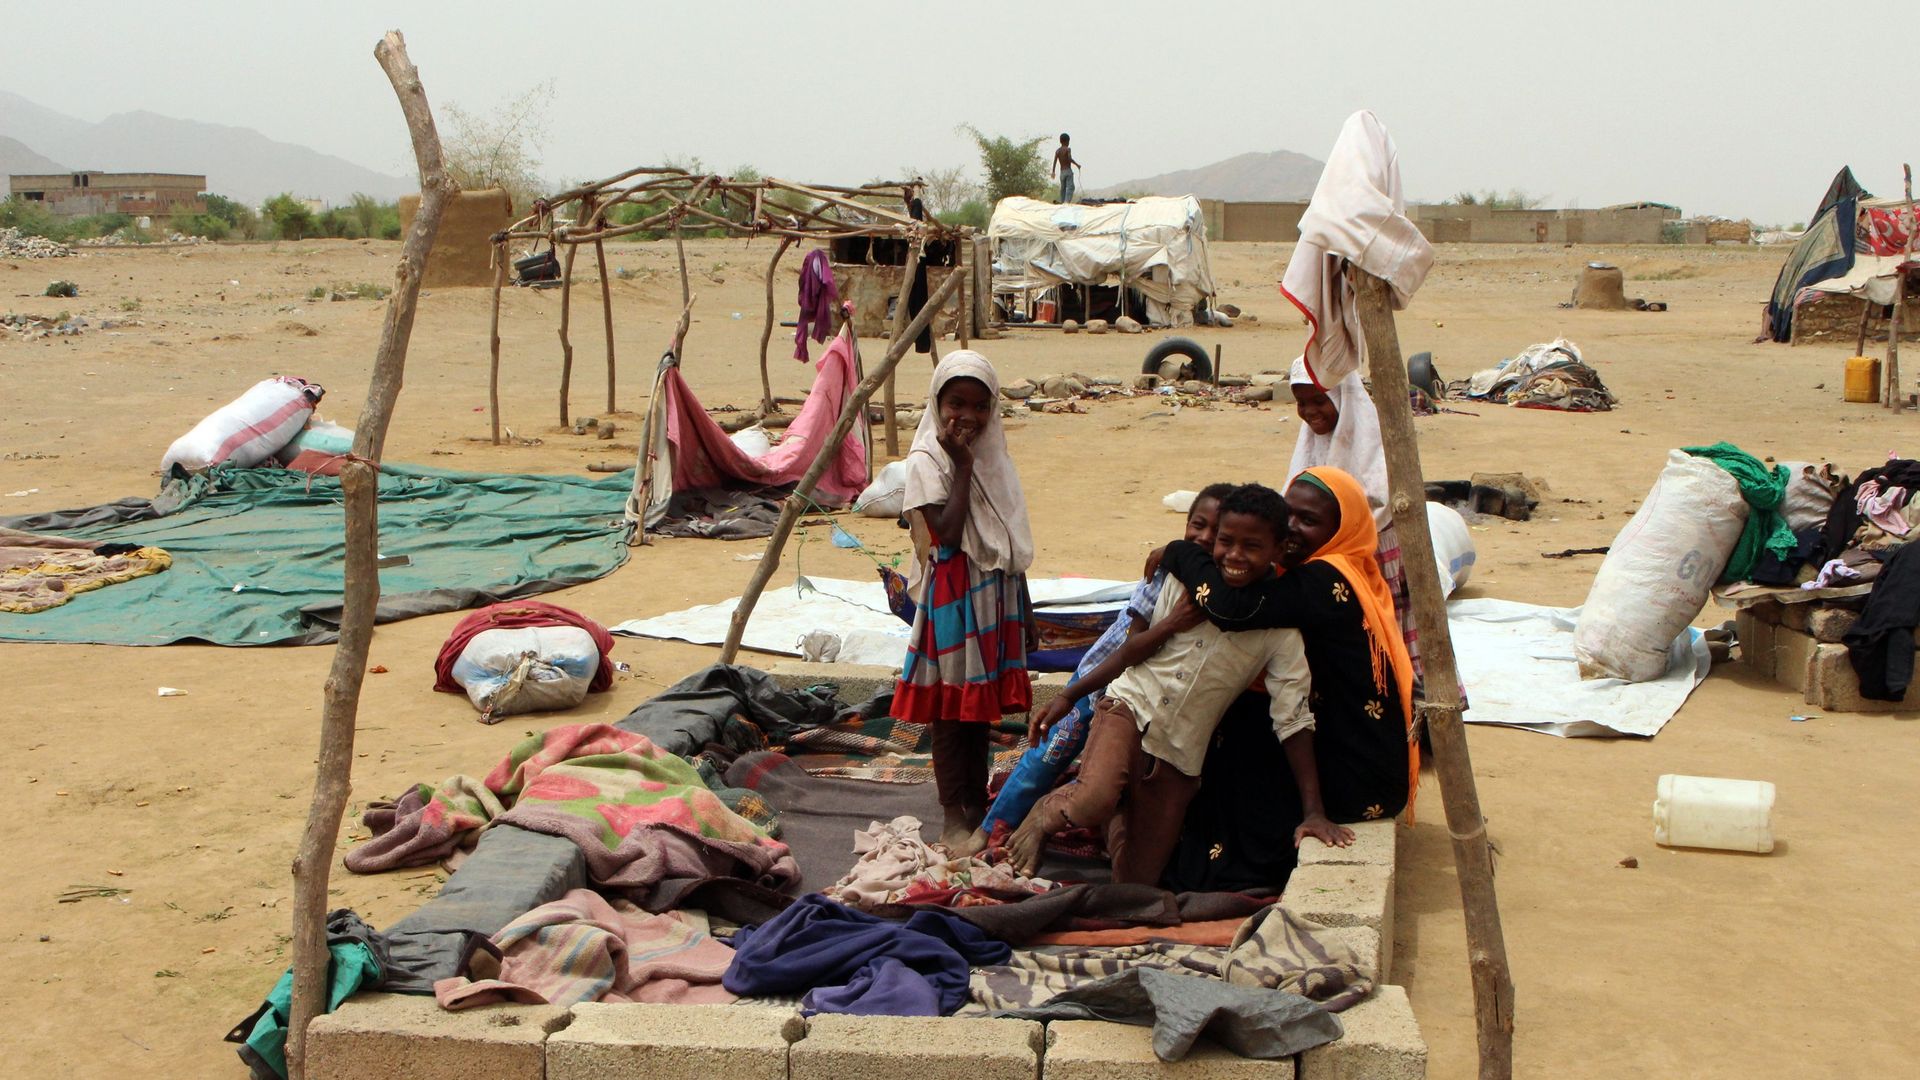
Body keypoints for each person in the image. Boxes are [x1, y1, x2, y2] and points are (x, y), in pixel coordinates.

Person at [1003, 484, 1342, 883]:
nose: (1233, 556)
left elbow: (1293, 719)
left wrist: (1314, 811)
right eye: (1225, 542)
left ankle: (1115, 813)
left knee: (1136, 882)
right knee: (1089, 802)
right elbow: (1132, 652)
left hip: (1180, 751)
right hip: (1130, 708)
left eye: (1251, 546)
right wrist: (1069, 694)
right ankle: (1048, 812)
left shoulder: (1281, 632)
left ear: (1278, 550)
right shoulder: (1186, 582)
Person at [1156, 467, 1419, 893]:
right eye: (1288, 515)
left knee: (1239, 726)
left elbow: (1230, 608)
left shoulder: (1324, 580)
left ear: (1341, 528)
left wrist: (1180, 552)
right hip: (1364, 752)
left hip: (1355, 777)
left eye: (1308, 521)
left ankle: (1230, 863)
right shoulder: (1348, 567)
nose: (1291, 529)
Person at [975, 483, 1236, 847]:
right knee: (1050, 752)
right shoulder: (1166, 573)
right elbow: (1131, 648)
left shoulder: (1229, 586)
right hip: (1102, 675)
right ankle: (990, 830)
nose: (1204, 537)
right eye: (1197, 525)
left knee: (1118, 772)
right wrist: (1172, 622)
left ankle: (1069, 815)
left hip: (1150, 698)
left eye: (1217, 530)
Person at [891, 351, 1036, 851]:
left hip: (997, 592)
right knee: (952, 710)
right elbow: (947, 533)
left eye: (979, 405)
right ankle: (954, 814)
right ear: (937, 403)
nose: (967, 416)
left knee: (978, 708)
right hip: (955, 591)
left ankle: (975, 804)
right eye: (956, 403)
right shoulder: (929, 459)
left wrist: (1027, 613)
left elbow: (1011, 541)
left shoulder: (996, 457)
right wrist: (963, 465)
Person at [1288, 357, 1422, 687]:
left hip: (1375, 553)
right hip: (1329, 560)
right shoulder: (1311, 444)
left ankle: (1403, 693)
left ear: (1343, 398)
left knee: (1384, 630)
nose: (1309, 412)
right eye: (1301, 403)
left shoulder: (1375, 445)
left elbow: (1375, 500)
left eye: (1319, 400)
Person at [1051, 134, 1082, 205]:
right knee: (1070, 187)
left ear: (1060, 141)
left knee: (1063, 188)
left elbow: (1055, 162)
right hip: (1068, 171)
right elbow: (1069, 159)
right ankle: (1066, 202)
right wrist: (1077, 165)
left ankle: (1062, 201)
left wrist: (1053, 172)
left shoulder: (1057, 151)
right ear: (1067, 141)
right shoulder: (1068, 149)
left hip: (1062, 172)